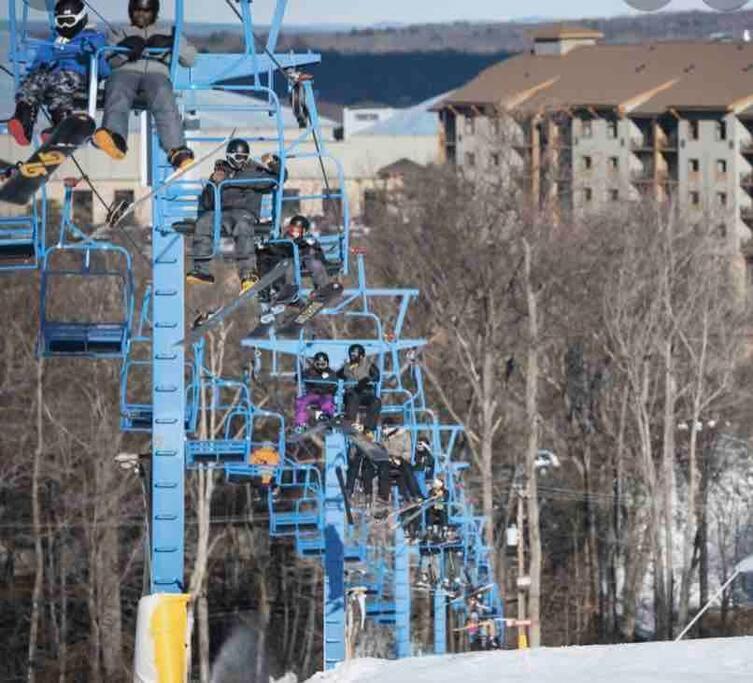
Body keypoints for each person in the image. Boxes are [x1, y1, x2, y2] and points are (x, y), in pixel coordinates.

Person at [92, 0, 195, 170]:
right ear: (130, 11)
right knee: (118, 89)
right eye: (137, 10)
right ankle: (115, 138)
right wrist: (124, 50)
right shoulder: (119, 32)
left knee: (163, 93)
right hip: (126, 72)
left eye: (146, 11)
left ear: (154, 12)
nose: (141, 14)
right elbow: (109, 61)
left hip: (156, 73)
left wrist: (172, 43)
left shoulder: (170, 32)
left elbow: (190, 59)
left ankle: (177, 149)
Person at [186, 139, 285, 293]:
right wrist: (213, 183)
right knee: (204, 222)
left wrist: (273, 163)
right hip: (221, 213)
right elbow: (207, 202)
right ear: (230, 156)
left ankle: (248, 274)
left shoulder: (254, 172)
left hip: (244, 213)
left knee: (242, 227)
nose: (242, 161)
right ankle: (202, 270)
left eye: (245, 157)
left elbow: (279, 178)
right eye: (239, 157)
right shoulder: (220, 172)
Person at [8, 0, 110, 146]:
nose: (65, 26)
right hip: (55, 77)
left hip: (79, 78)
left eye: (69, 21)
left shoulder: (93, 38)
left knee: (61, 81)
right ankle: (23, 122)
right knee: (33, 81)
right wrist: (32, 76)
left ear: (81, 18)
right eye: (61, 22)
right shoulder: (54, 39)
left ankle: (61, 124)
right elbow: (40, 60)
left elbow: (102, 62)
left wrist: (106, 74)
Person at [338, 344, 381, 438]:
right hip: (351, 394)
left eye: (354, 355)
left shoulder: (368, 366)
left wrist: (367, 380)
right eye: (351, 355)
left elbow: (376, 376)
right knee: (353, 397)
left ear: (361, 356)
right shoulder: (346, 367)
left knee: (376, 401)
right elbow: (335, 376)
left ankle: (368, 428)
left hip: (365, 393)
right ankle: (350, 423)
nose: (352, 357)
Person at [294, 352, 337, 432]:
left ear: (327, 364)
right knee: (301, 402)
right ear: (314, 363)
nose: (320, 367)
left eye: (323, 364)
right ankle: (301, 424)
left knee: (327, 403)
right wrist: (298, 376)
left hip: (325, 395)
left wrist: (322, 386)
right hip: (312, 395)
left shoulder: (331, 373)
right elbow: (301, 376)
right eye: (318, 364)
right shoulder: (309, 372)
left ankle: (327, 421)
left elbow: (333, 383)